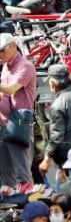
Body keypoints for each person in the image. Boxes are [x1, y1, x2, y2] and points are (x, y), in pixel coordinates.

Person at [0, 33, 36, 186]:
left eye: (2, 50)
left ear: (13, 46)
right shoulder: (6, 66)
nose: (0, 54)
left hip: (18, 124)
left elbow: (10, 89)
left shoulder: (25, 66)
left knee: (22, 174)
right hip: (3, 123)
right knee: (6, 173)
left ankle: (28, 206)